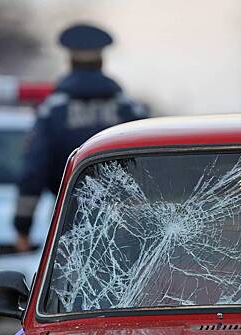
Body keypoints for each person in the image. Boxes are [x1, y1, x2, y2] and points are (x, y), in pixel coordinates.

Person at [13, 23, 147, 252]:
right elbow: (150, 166)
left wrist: (23, 228)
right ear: (101, 61)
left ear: (71, 61)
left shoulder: (52, 111)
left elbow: (33, 172)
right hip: (128, 226)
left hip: (70, 220)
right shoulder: (130, 110)